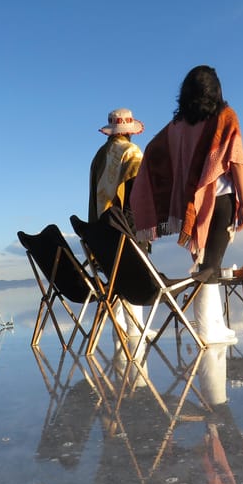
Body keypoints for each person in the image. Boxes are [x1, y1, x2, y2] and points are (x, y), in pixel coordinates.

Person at [129, 65, 243, 344]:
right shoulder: (225, 117)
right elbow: (237, 162)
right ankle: (208, 330)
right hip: (219, 201)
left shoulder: (177, 126)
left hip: (190, 207)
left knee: (205, 262)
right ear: (216, 89)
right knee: (210, 266)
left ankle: (216, 325)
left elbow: (152, 151)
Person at [90, 108, 146, 337]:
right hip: (124, 229)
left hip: (100, 235)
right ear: (129, 132)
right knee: (135, 275)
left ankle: (120, 329)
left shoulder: (99, 156)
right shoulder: (131, 152)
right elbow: (137, 195)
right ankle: (136, 330)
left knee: (116, 278)